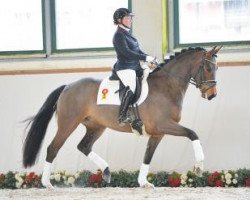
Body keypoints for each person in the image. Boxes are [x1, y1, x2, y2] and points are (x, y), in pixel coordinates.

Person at [112, 8, 157, 126]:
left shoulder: (127, 34)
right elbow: (127, 53)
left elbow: (137, 50)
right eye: (127, 18)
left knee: (152, 75)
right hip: (125, 67)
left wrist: (149, 58)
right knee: (131, 87)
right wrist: (145, 58)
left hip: (135, 65)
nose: (130, 20)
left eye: (130, 18)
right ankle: (122, 115)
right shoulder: (118, 36)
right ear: (119, 20)